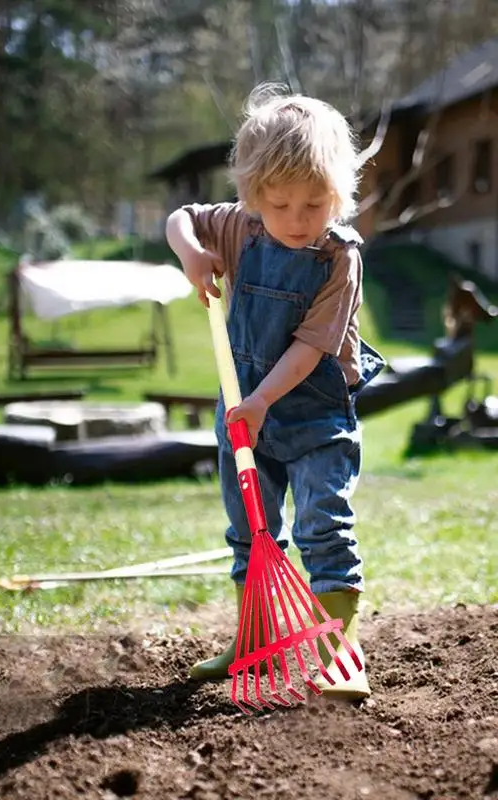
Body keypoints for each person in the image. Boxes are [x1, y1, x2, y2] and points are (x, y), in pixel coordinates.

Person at [165, 83, 386, 698]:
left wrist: (262, 402)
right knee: (251, 532)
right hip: (242, 416)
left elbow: (312, 345)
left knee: (323, 525)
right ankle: (254, 642)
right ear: (254, 195)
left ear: (338, 196)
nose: (296, 220)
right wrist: (191, 255)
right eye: (280, 204)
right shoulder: (239, 228)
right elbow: (181, 219)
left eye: (315, 205)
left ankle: (339, 652)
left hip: (312, 416)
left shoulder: (339, 256)